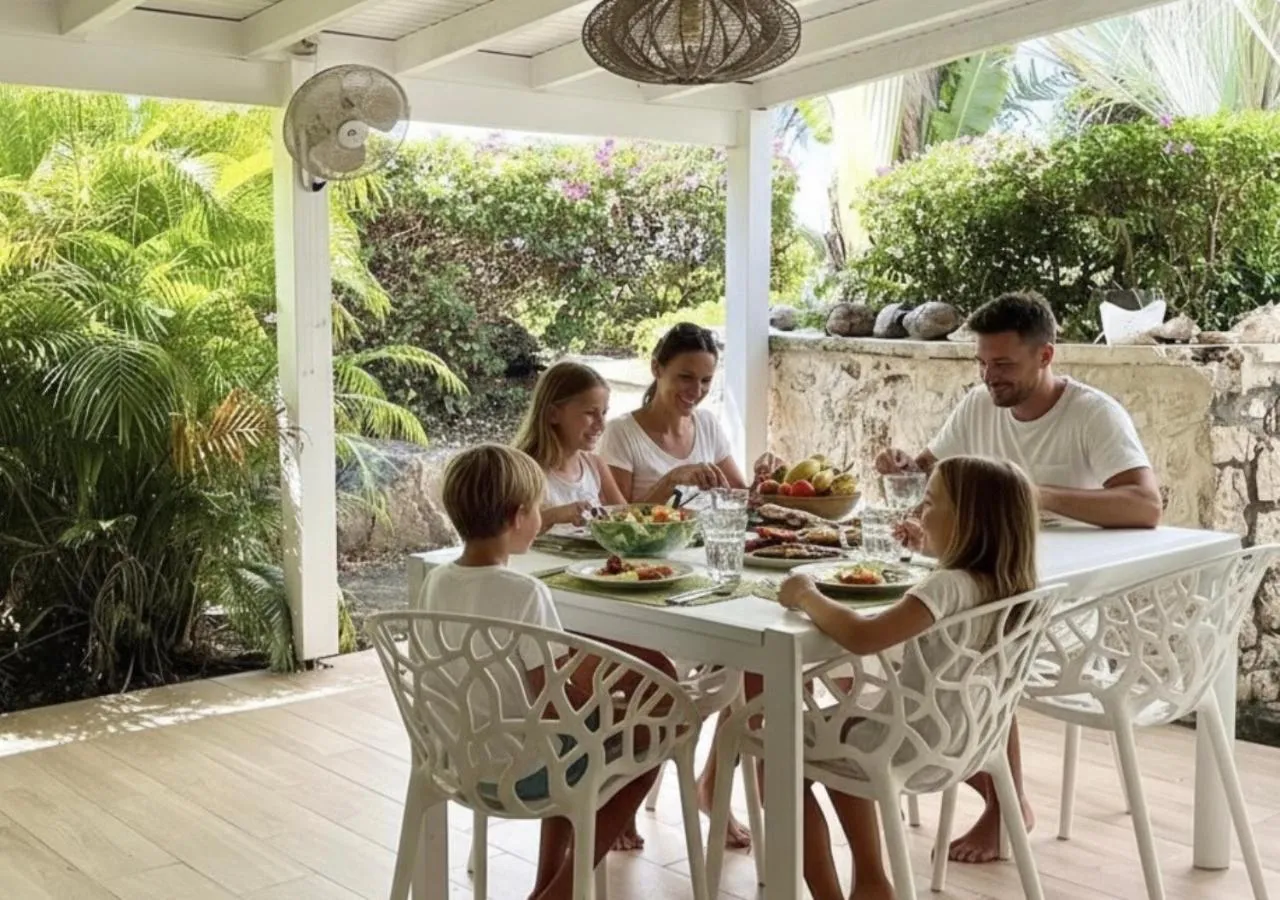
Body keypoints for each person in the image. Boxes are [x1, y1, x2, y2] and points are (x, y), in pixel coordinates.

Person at [875, 290, 1162, 864]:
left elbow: (1145, 505)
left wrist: (1035, 494)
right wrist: (906, 468)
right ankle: (972, 784)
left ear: (1045, 355)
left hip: (1073, 610)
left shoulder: (1093, 414)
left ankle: (1003, 804)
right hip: (1002, 591)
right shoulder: (980, 406)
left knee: (970, 650)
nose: (989, 377)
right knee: (947, 643)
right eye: (982, 363)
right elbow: (933, 473)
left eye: (1003, 365)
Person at [775, 456, 1041, 900]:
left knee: (781, 753)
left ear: (967, 521)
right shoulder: (1012, 582)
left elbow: (863, 636)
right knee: (837, 731)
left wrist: (808, 595)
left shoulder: (946, 587)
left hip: (907, 742)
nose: (920, 510)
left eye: (931, 501)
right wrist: (927, 553)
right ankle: (872, 882)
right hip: (967, 741)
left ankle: (840, 891)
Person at [415, 445, 666, 899]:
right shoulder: (525, 592)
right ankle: (562, 891)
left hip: (457, 759)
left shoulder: (436, 581)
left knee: (564, 736)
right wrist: (609, 704)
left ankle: (544, 882)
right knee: (648, 738)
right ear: (517, 517)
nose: (541, 516)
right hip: (524, 771)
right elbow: (555, 700)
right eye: (538, 508)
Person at [599, 322, 780, 849]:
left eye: (704, 381)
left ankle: (713, 785)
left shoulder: (708, 425)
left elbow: (741, 499)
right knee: (659, 681)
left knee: (758, 667)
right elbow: (616, 520)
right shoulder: (621, 433)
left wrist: (766, 483)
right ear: (656, 369)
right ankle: (623, 798)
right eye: (684, 378)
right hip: (645, 582)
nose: (694, 392)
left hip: (703, 572)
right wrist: (671, 481)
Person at [514, 361, 626, 532]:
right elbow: (504, 534)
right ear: (553, 414)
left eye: (604, 413)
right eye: (590, 413)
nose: (601, 425)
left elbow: (628, 520)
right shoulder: (523, 470)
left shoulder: (595, 465)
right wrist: (553, 516)